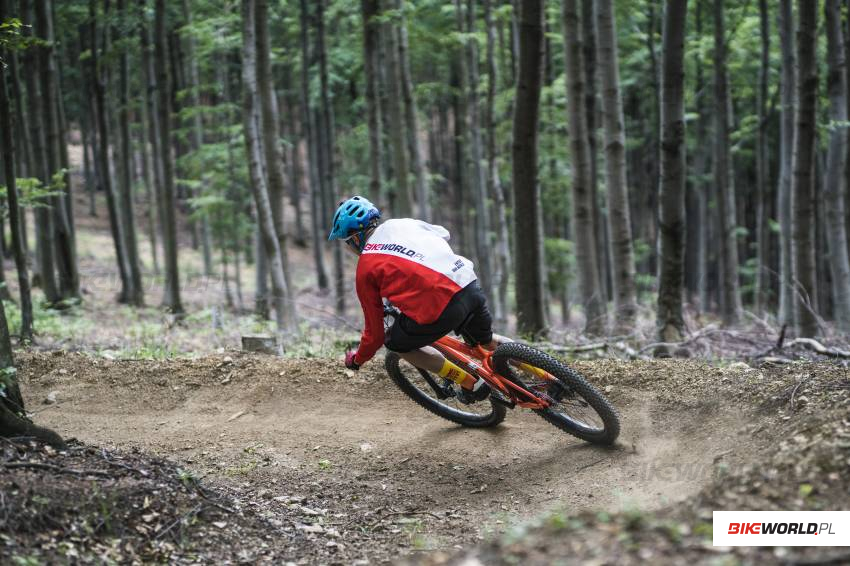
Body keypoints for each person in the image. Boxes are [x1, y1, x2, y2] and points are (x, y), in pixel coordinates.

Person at [328, 195, 493, 402]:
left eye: (346, 243)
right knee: (488, 341)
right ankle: (534, 368)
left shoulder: (365, 268)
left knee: (395, 343)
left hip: (442, 307)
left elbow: (375, 335)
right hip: (467, 283)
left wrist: (357, 359)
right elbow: (444, 234)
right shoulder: (402, 224)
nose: (348, 249)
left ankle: (470, 382)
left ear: (355, 239)